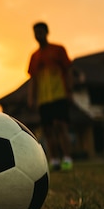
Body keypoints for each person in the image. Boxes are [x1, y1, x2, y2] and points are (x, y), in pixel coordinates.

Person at [27, 21, 73, 171]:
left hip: (59, 95)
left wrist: (70, 91)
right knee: (48, 130)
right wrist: (31, 97)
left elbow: (68, 71)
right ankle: (54, 160)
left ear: (47, 32)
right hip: (44, 99)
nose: (38, 35)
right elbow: (32, 79)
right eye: (36, 32)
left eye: (40, 31)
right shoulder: (34, 56)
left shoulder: (58, 50)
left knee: (61, 127)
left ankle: (66, 158)